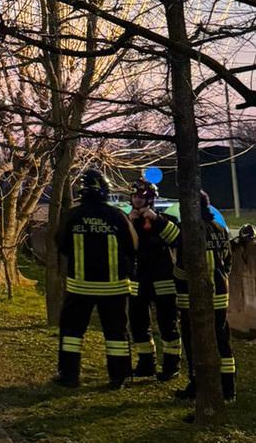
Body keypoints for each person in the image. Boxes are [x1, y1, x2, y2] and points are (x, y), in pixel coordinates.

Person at [54, 168, 138, 389]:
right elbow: (132, 245)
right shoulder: (117, 216)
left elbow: (61, 244)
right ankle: (119, 377)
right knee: (116, 333)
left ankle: (69, 375)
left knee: (72, 332)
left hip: (80, 287)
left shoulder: (72, 215)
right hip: (114, 288)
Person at [167, 191, 235, 401]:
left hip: (193, 298)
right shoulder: (219, 228)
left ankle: (197, 384)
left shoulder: (188, 231)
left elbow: (182, 269)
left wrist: (175, 278)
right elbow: (228, 260)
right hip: (220, 294)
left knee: (193, 342)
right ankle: (228, 388)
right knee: (222, 340)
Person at [127, 179, 182, 381]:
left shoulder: (166, 219)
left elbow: (176, 239)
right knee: (138, 324)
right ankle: (146, 365)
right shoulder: (129, 221)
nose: (136, 200)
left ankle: (171, 366)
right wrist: (130, 223)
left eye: (140, 197)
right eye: (134, 196)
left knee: (168, 325)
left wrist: (156, 220)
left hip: (163, 281)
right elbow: (124, 245)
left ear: (150, 199)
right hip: (138, 281)